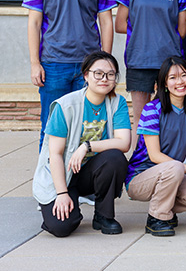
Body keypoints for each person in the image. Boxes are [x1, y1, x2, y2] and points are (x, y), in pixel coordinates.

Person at [24, 0, 117, 149]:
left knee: (91, 125)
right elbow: (34, 24)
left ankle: (84, 179)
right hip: (54, 64)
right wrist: (35, 63)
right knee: (51, 124)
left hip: (90, 65)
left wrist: (105, 62)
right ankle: (50, 180)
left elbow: (106, 22)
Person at [33, 51, 131, 237]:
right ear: (86, 75)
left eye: (111, 74)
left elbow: (124, 143)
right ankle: (69, 200)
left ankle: (103, 216)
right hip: (63, 173)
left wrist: (87, 146)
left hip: (90, 172)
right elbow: (54, 154)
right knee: (61, 227)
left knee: (115, 157)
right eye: (98, 73)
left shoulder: (117, 103)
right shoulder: (65, 106)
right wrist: (62, 193)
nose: (105, 79)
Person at [125, 56, 186, 236]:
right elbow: (155, 155)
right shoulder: (152, 110)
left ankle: (166, 208)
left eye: (184, 75)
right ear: (164, 84)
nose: (180, 81)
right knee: (176, 167)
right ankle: (157, 217)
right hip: (140, 177)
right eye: (172, 77)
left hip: (174, 173)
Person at [116, 0, 186, 143]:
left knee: (169, 113)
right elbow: (120, 24)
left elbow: (182, 30)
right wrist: (143, 34)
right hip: (139, 58)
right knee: (141, 117)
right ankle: (141, 161)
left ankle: (170, 156)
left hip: (169, 61)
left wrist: (161, 36)